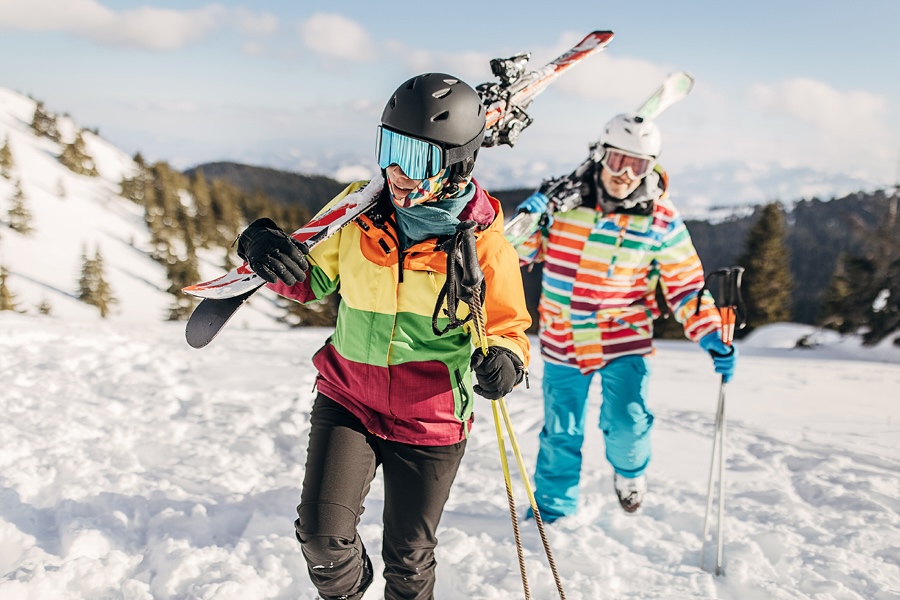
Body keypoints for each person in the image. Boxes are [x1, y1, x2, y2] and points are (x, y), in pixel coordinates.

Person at [235, 73, 531, 600]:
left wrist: (506, 360)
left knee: (409, 562)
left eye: (414, 158)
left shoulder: (482, 245)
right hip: (348, 397)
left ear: (456, 165)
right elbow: (310, 279)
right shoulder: (358, 211)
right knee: (322, 540)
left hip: (431, 419)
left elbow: (508, 325)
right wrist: (262, 247)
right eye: (389, 149)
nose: (395, 171)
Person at [512, 113, 738, 519]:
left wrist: (709, 331)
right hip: (564, 336)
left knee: (627, 422)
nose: (626, 175)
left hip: (624, 334)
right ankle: (553, 508)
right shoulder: (564, 204)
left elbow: (685, 283)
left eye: (639, 165)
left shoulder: (660, 218)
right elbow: (515, 255)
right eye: (619, 161)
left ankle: (630, 473)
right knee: (561, 430)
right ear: (601, 155)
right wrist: (527, 221)